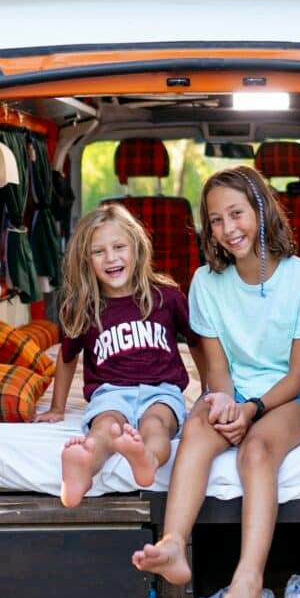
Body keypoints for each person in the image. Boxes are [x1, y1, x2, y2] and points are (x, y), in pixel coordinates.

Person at [132, 166, 300, 598]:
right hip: (238, 390)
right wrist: (223, 404)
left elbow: (298, 375)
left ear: (261, 211)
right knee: (199, 428)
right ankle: (174, 544)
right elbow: (217, 372)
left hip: (293, 394)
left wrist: (253, 411)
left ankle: (247, 581)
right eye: (216, 220)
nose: (228, 229)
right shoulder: (205, 282)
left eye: (237, 213)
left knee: (256, 449)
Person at [35, 203, 204, 508]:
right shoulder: (84, 307)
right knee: (104, 428)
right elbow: (67, 357)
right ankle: (81, 469)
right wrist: (57, 407)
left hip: (162, 390)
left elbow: (197, 344)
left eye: (118, 247)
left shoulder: (166, 296)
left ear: (137, 249)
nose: (111, 258)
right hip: (110, 392)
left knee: (156, 424)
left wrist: (209, 392)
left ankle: (146, 459)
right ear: (86, 260)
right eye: (98, 251)